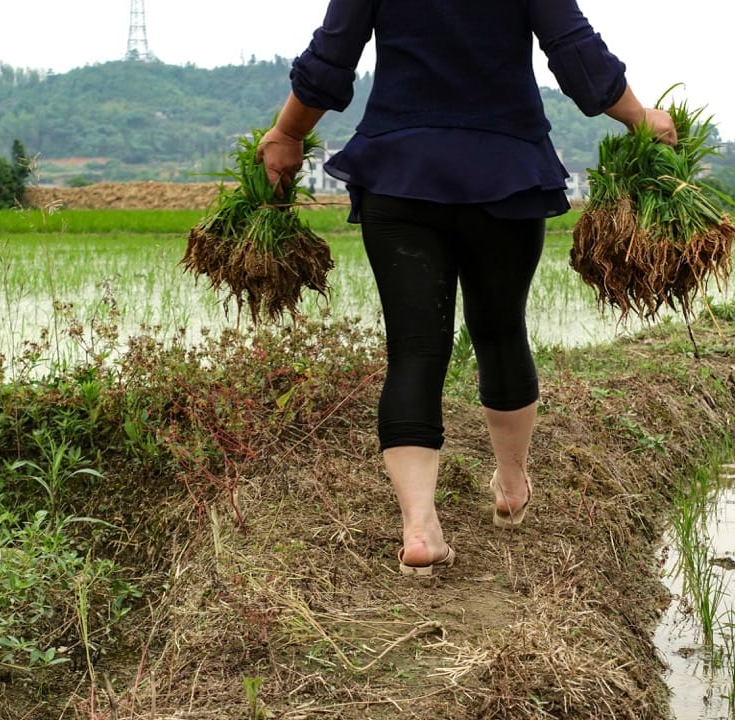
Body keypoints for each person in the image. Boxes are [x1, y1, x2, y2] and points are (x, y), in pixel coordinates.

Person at [257, 0, 677, 576]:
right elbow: (573, 49)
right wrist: (636, 116)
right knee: (501, 330)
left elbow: (332, 56)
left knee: (414, 348)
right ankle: (510, 483)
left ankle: (420, 528)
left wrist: (286, 132)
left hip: (400, 170)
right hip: (505, 170)